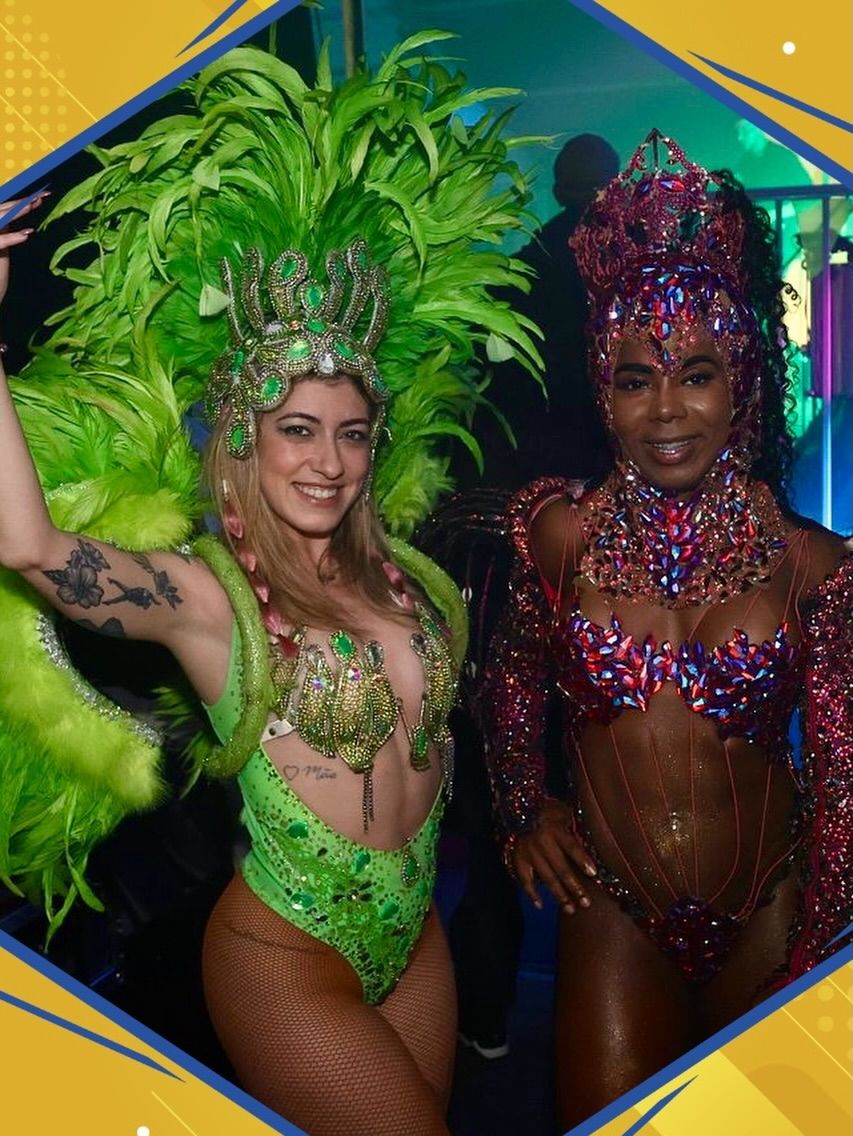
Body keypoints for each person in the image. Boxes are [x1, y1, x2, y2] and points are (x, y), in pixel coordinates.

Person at [0, 39, 540, 1136]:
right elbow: (30, 546)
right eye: (297, 429)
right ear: (245, 438)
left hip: (416, 937)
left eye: (351, 431)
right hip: (281, 951)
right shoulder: (211, 599)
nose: (327, 461)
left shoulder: (414, 579)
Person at [482, 130, 853, 1128]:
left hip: (772, 915)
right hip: (613, 917)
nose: (664, 410)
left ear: (741, 382)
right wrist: (523, 805)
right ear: (601, 390)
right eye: (634, 377)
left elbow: (841, 778)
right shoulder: (558, 533)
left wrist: (815, 958)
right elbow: (510, 670)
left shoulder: (812, 565)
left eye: (694, 372)